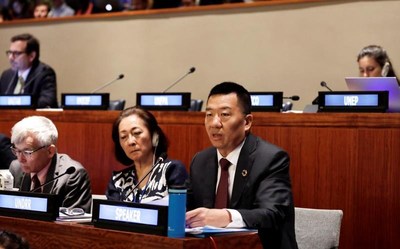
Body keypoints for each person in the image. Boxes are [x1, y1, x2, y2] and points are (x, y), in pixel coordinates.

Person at [185, 82, 298, 249]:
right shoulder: (201, 161)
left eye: (224, 114)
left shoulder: (270, 158)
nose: (214, 123)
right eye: (209, 114)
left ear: (247, 122)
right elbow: (186, 207)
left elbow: (272, 214)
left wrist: (226, 217)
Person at [8, 116, 92, 213]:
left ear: (50, 151)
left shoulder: (71, 175)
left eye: (27, 152)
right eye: (17, 150)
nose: (20, 159)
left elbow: (73, 224)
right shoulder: (16, 168)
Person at [106, 106, 188, 203]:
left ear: (154, 136)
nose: (130, 141)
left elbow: (178, 211)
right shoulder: (118, 181)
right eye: (123, 137)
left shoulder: (172, 170)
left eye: (136, 133)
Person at [0, 33, 58, 108]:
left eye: (16, 53)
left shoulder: (45, 73)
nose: (11, 57)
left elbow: (47, 101)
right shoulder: (6, 75)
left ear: (31, 56)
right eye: (10, 53)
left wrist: (22, 102)